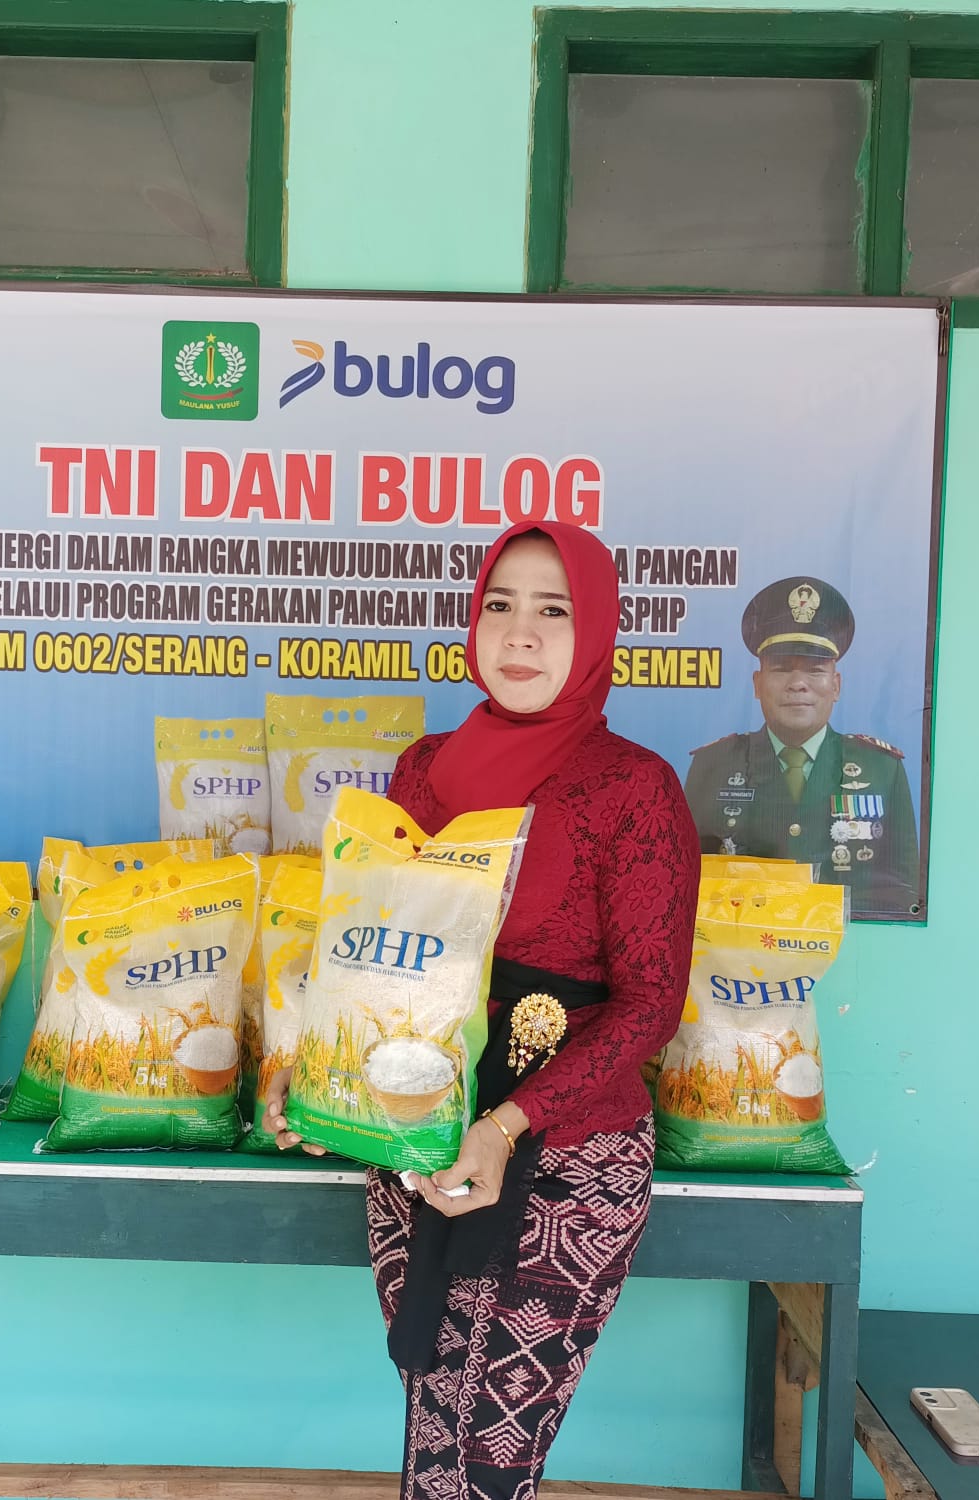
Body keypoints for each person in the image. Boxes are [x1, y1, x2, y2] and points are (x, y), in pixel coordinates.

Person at [266, 519, 699, 1500]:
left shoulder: (633, 787)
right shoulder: (425, 769)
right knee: (436, 1444)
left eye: (555, 611)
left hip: (567, 1157)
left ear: (597, 633)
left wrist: (505, 1126)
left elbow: (649, 1006)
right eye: (500, 605)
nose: (521, 633)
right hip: (418, 1144)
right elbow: (379, 957)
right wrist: (318, 1072)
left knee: (485, 1466)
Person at [682, 576, 920, 916]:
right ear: (757, 684)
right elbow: (688, 884)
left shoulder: (882, 769)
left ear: (835, 686)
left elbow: (901, 895)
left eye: (815, 670)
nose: (797, 684)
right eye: (781, 669)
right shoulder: (713, 766)